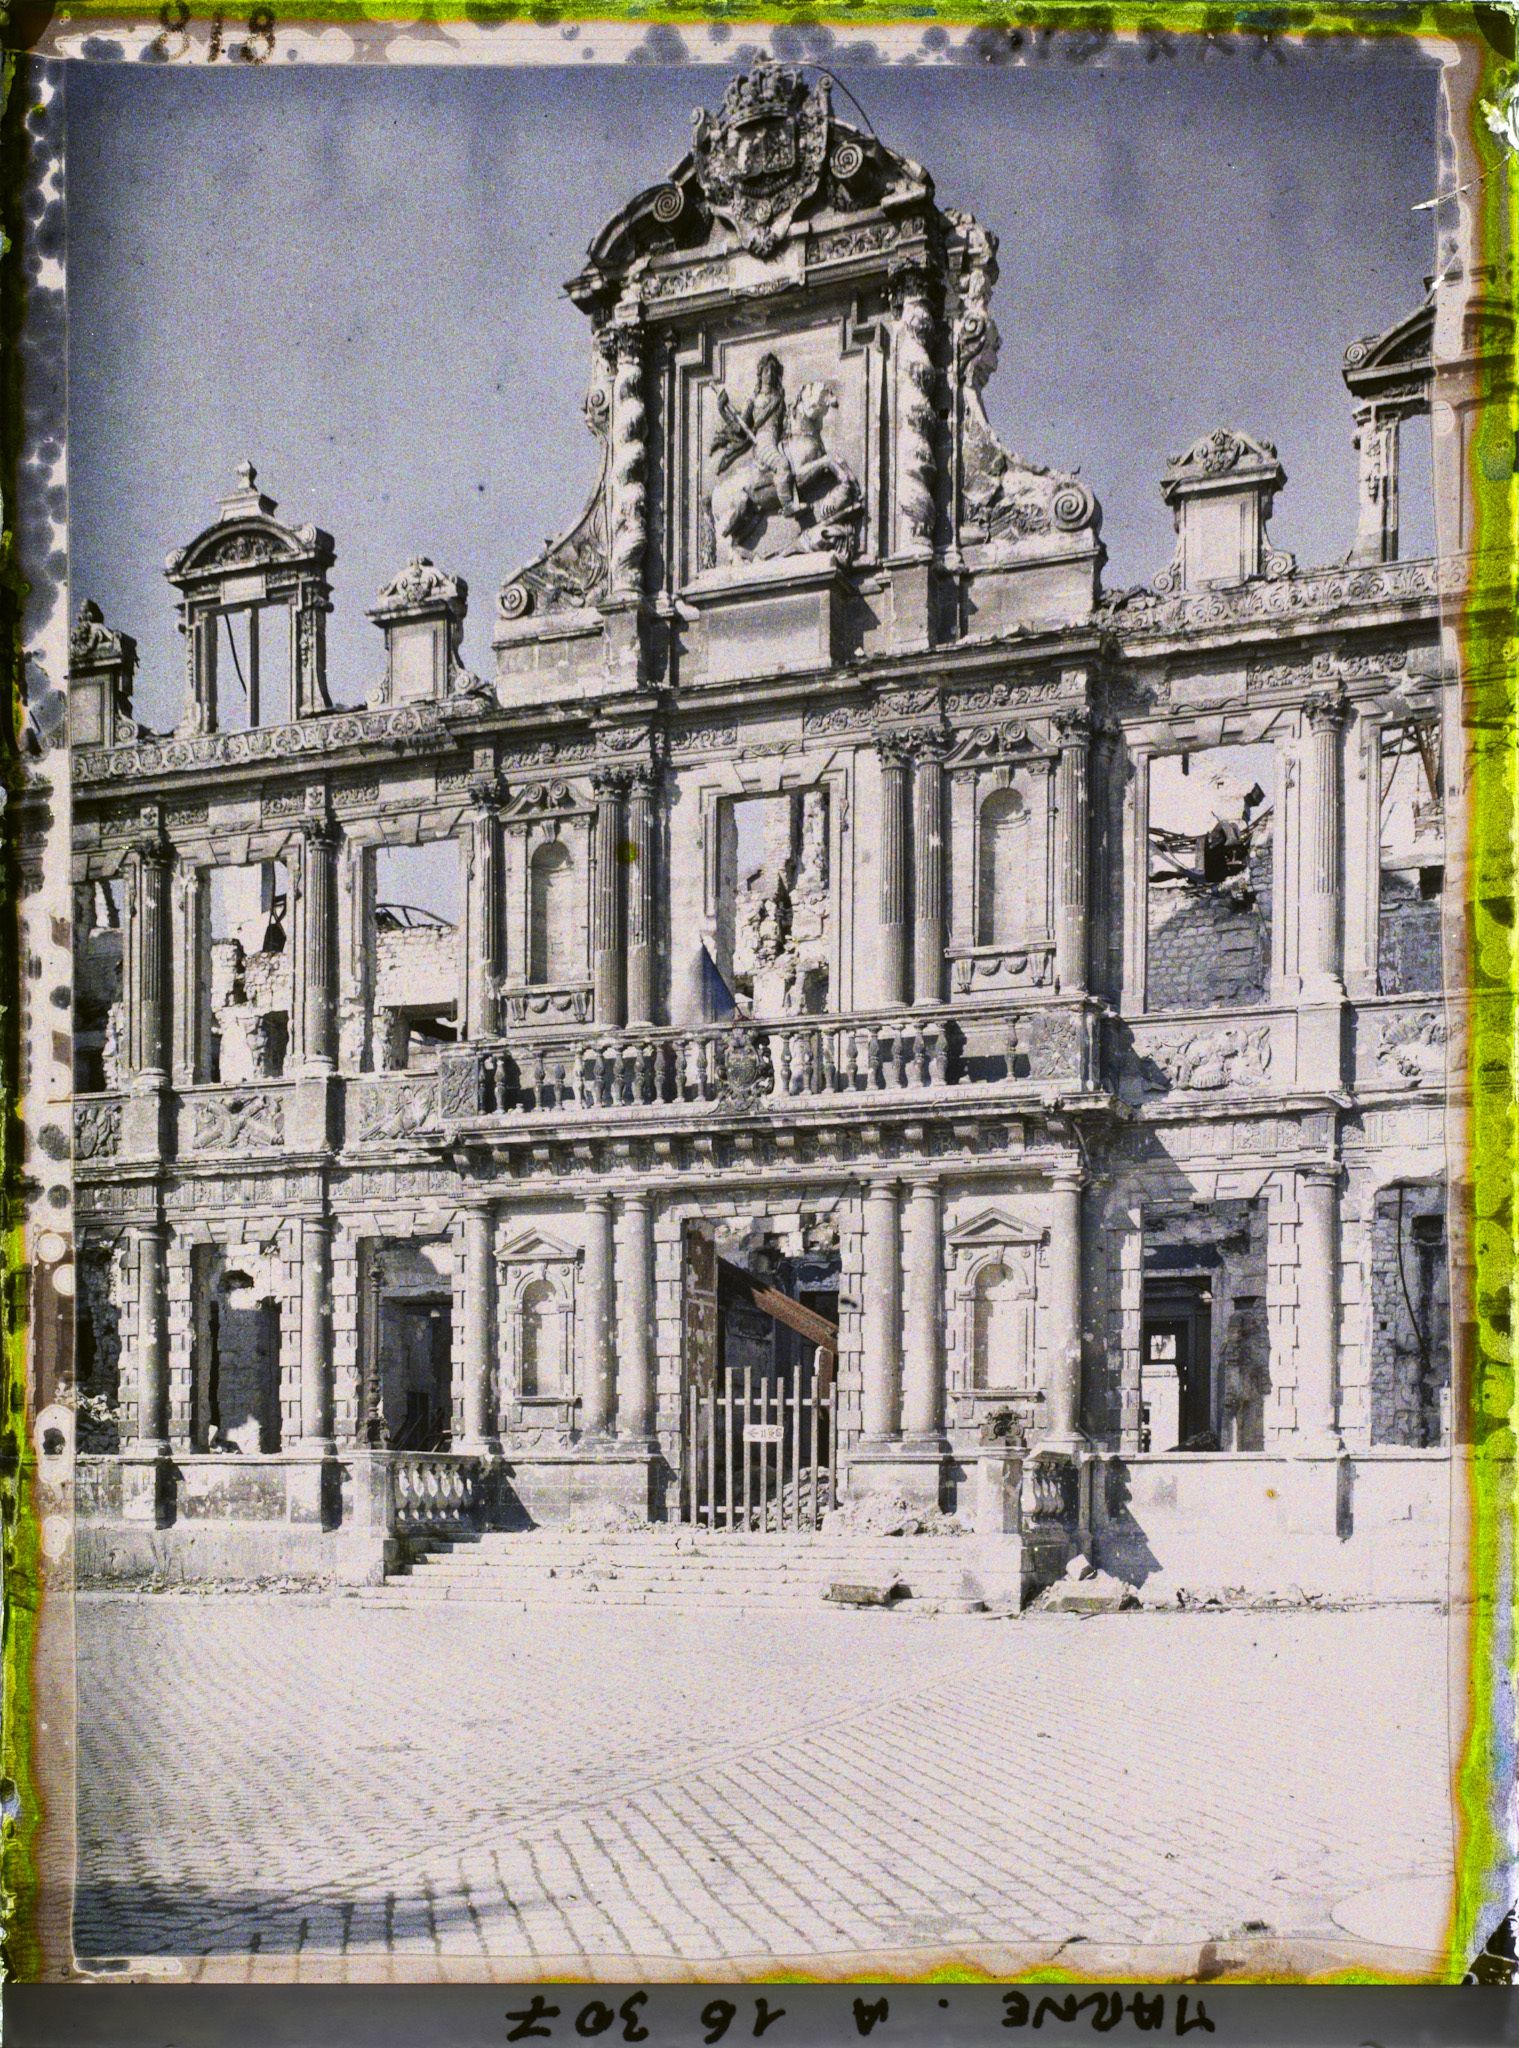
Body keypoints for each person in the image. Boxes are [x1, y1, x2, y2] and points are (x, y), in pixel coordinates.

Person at [710, 353, 801, 515]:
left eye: (773, 370)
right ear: (760, 373)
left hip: (778, 441)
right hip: (763, 441)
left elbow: (784, 424)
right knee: (782, 465)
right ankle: (787, 504)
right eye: (766, 370)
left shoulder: (779, 397)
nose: (770, 374)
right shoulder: (754, 399)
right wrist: (722, 408)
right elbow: (739, 427)